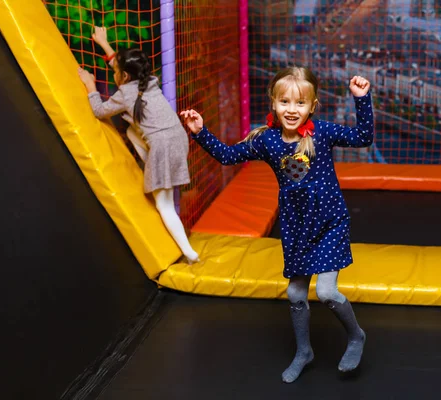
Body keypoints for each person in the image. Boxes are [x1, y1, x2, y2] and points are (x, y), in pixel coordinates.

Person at [181, 67, 374, 383]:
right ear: (273, 102)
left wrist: (361, 99)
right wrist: (200, 132)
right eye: (285, 101)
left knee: (326, 292)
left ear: (312, 106)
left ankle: (356, 336)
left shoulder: (321, 134)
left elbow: (363, 137)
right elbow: (228, 156)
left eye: (300, 104)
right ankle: (304, 352)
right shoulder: (265, 140)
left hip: (329, 221)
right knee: (296, 293)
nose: (292, 110)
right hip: (297, 226)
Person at [77, 27, 199, 264]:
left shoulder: (126, 95)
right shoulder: (148, 81)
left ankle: (190, 254)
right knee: (133, 129)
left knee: (164, 205)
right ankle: (151, 166)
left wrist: (90, 85)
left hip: (162, 147)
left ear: (123, 77)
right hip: (177, 138)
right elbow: (122, 69)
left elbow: (99, 111)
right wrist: (104, 43)